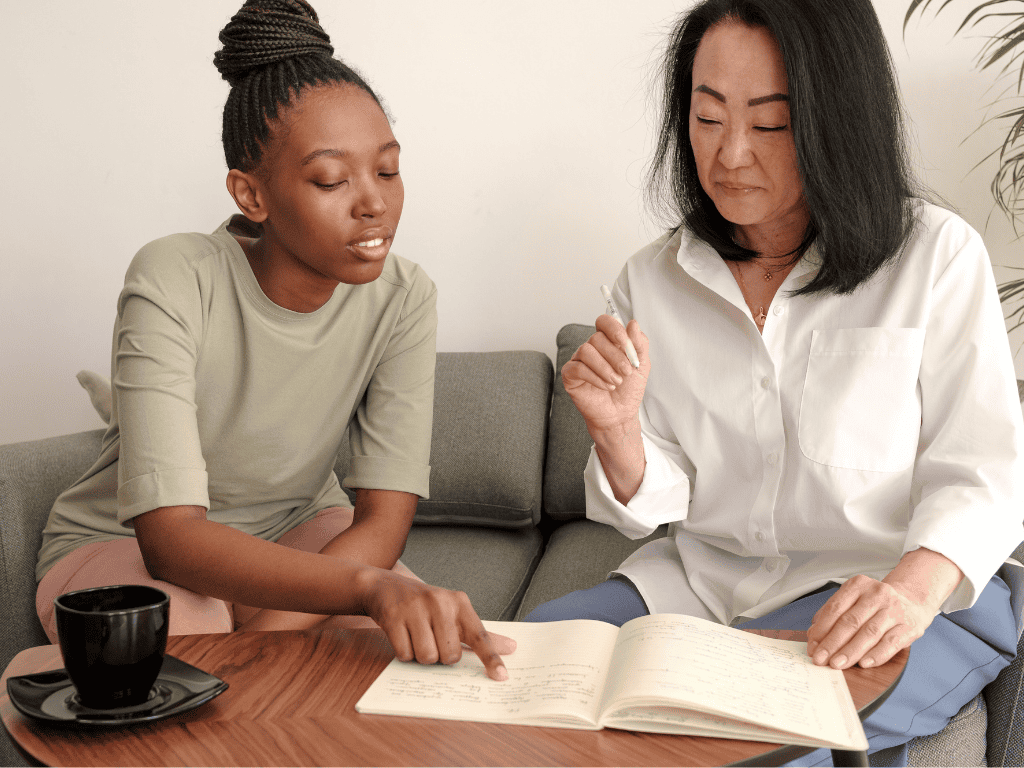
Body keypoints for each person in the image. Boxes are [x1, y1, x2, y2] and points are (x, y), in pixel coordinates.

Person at [524, 0, 1024, 761]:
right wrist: (618, 428)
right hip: (702, 589)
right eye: (707, 117)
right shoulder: (651, 281)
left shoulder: (936, 258)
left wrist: (910, 594)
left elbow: (986, 471)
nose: (729, 155)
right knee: (519, 675)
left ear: (836, 122)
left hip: (897, 594)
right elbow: (661, 501)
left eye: (768, 124)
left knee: (741, 738)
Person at [35, 0, 512, 681]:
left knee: (401, 654)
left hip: (299, 529)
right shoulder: (174, 276)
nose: (373, 202)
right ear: (250, 194)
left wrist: (269, 633)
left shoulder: (405, 297)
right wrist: (356, 591)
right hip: (126, 545)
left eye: (387, 169)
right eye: (331, 179)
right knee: (186, 643)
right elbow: (169, 539)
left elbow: (381, 522)